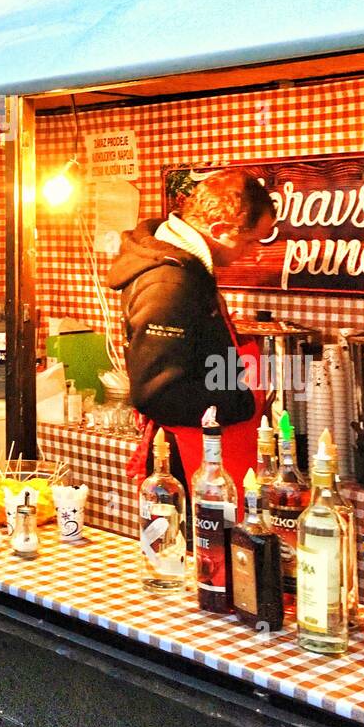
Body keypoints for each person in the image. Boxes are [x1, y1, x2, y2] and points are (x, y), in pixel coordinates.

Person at [108, 169, 276, 501]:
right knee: (195, 550)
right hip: (188, 459)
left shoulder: (189, 269)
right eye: (250, 240)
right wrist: (241, 401)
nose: (255, 251)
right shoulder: (168, 283)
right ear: (218, 230)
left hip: (205, 449)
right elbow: (158, 393)